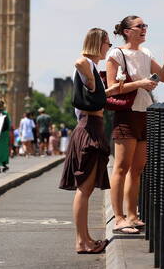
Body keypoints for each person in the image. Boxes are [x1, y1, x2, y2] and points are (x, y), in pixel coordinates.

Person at [106, 16, 164, 234]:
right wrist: (140, 83)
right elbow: (111, 88)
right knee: (121, 167)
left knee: (137, 169)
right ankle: (118, 218)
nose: (144, 29)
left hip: (145, 112)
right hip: (126, 114)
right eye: (140, 26)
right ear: (127, 31)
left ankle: (133, 215)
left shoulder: (146, 53)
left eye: (145, 26)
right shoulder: (116, 54)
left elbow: (163, 77)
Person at [60, 28, 120, 254]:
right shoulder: (87, 63)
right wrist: (94, 83)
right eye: (107, 43)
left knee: (85, 190)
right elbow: (79, 62)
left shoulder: (93, 67)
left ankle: (85, 239)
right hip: (88, 129)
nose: (109, 47)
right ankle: (81, 242)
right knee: (83, 190)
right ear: (97, 44)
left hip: (90, 127)